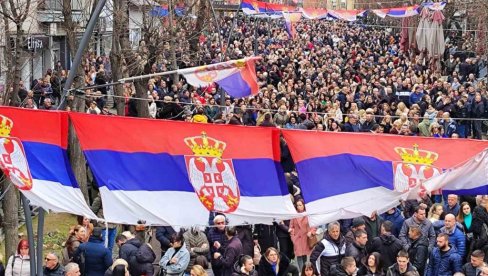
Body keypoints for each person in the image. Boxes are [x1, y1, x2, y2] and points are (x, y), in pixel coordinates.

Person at [289, 199, 315, 271]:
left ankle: (305, 270)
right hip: (297, 238)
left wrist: (311, 232)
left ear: (304, 205)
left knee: (304, 255)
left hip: (306, 238)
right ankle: (302, 271)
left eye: (300, 205)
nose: (298, 207)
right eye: (297, 205)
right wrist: (293, 236)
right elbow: (291, 227)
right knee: (299, 256)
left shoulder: (307, 214)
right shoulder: (294, 215)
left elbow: (314, 225)